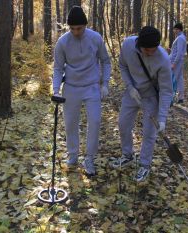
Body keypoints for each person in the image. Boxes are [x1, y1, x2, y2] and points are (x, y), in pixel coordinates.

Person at [52, 6, 111, 176]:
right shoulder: (63, 42)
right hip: (71, 87)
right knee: (70, 123)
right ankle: (73, 156)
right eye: (72, 28)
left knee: (95, 121)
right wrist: (56, 90)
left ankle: (90, 159)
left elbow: (105, 61)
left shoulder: (95, 38)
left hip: (92, 86)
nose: (76, 32)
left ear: (85, 25)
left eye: (79, 28)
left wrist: (105, 83)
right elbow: (57, 68)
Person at [110, 26, 173, 182]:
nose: (151, 53)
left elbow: (166, 90)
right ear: (139, 45)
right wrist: (130, 87)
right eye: (147, 50)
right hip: (132, 93)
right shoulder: (128, 45)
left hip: (151, 96)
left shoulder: (163, 59)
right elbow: (123, 66)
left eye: (153, 50)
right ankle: (127, 155)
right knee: (123, 124)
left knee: (149, 132)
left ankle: (145, 165)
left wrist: (162, 118)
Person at [169, 23, 186, 104]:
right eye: (174, 29)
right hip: (177, 61)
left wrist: (174, 63)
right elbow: (176, 51)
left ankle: (171, 99)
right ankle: (181, 97)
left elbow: (179, 53)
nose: (174, 31)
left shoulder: (180, 38)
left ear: (179, 29)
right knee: (179, 79)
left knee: (174, 79)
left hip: (176, 62)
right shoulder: (180, 37)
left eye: (176, 29)